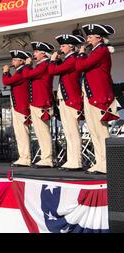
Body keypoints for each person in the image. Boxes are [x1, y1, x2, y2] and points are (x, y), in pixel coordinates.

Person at [76, 24, 119, 174]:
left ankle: (107, 163)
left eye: (89, 36)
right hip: (92, 96)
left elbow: (82, 66)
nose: (87, 39)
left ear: (99, 37)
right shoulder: (95, 50)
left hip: (99, 97)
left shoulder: (100, 50)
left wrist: (81, 54)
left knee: (101, 132)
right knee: (94, 131)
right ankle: (100, 162)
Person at [48, 34, 86, 171]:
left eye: (63, 46)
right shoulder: (69, 59)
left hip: (71, 100)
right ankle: (71, 160)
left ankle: (76, 161)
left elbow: (53, 71)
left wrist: (53, 61)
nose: (60, 48)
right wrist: (58, 61)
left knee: (72, 132)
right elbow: (62, 70)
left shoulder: (73, 59)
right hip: (65, 100)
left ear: (71, 46)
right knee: (68, 132)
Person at [22, 41, 55, 168]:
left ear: (43, 53)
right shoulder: (41, 65)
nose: (34, 54)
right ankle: (45, 157)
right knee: (40, 132)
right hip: (36, 102)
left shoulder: (44, 64)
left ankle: (47, 158)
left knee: (43, 132)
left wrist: (27, 65)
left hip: (42, 102)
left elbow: (27, 75)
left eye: (36, 52)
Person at [2, 50, 33, 167]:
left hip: (21, 107)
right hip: (17, 106)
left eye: (15, 60)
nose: (12, 62)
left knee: (22, 133)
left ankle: (25, 158)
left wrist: (5, 72)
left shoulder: (22, 71)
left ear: (21, 61)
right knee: (19, 133)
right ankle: (23, 157)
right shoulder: (18, 71)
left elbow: (7, 81)